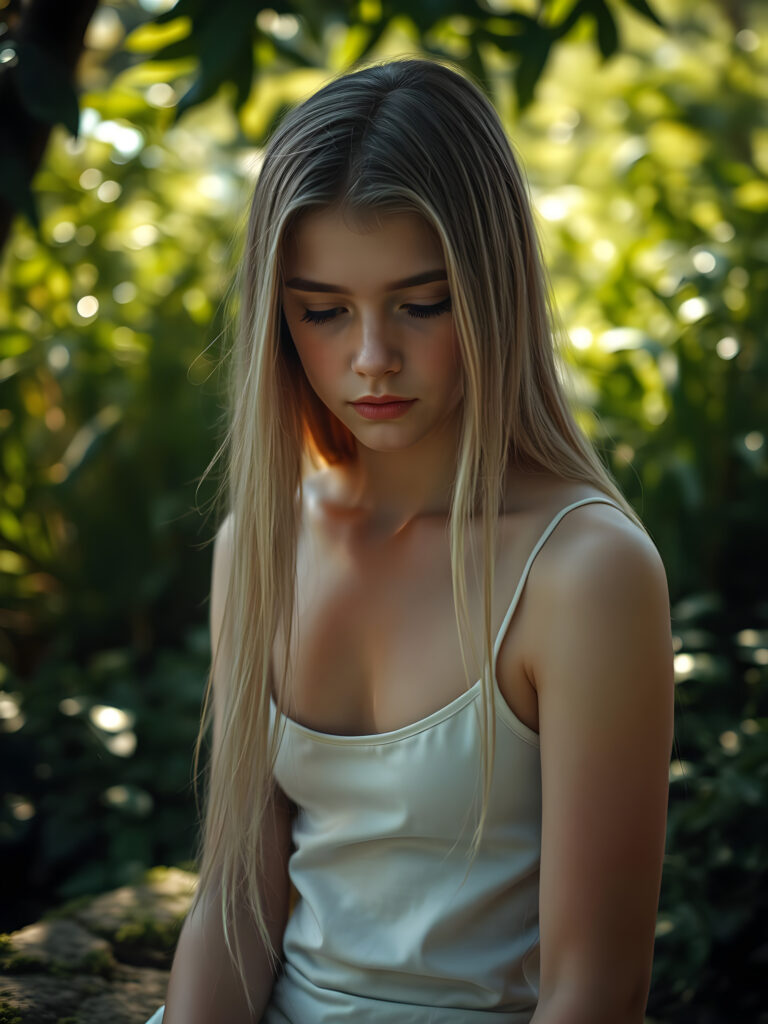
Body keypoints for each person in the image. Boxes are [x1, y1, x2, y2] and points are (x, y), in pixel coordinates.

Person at [144, 56, 675, 1024]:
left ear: (493, 288)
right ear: (277, 316)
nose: (372, 357)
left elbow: (597, 992)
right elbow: (235, 899)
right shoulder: (261, 545)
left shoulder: (584, 571)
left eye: (421, 304)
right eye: (323, 312)